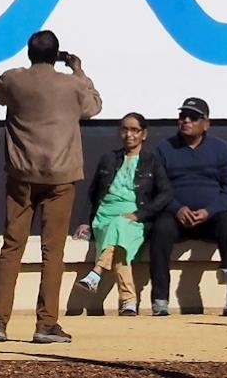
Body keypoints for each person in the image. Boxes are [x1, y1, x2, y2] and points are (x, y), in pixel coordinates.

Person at [0, 30, 102, 344]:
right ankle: (46, 324)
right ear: (57, 55)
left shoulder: (13, 80)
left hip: (21, 176)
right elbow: (94, 108)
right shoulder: (72, 84)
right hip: (60, 178)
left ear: (28, 53)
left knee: (11, 248)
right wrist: (78, 70)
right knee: (53, 252)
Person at [149, 97, 227, 317]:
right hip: (176, 218)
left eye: (193, 117)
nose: (186, 121)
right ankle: (160, 299)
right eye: (182, 116)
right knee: (160, 229)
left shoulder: (220, 148)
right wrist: (177, 208)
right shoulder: (165, 148)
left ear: (206, 123)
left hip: (210, 217)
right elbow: (157, 188)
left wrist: (209, 211)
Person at [73, 112, 172, 316]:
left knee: (120, 228)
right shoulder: (108, 159)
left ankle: (97, 273)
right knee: (120, 245)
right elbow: (93, 193)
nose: (129, 135)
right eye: (125, 129)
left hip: (134, 219)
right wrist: (85, 221)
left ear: (144, 134)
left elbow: (167, 193)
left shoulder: (151, 161)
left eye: (134, 130)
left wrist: (141, 214)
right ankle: (128, 302)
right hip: (104, 217)